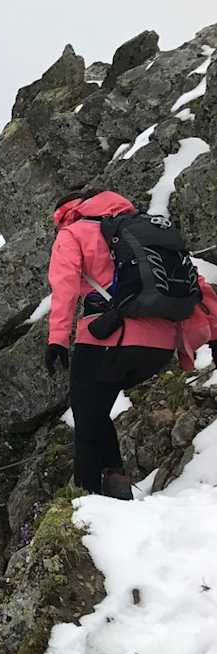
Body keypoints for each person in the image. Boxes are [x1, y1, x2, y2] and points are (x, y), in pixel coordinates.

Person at [44, 189, 217, 498]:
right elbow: (196, 283)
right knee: (95, 412)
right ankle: (115, 486)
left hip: (111, 339)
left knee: (86, 416)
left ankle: (87, 502)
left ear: (65, 214)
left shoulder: (73, 232)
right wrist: (215, 332)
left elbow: (65, 287)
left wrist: (57, 339)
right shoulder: (146, 231)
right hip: (161, 346)